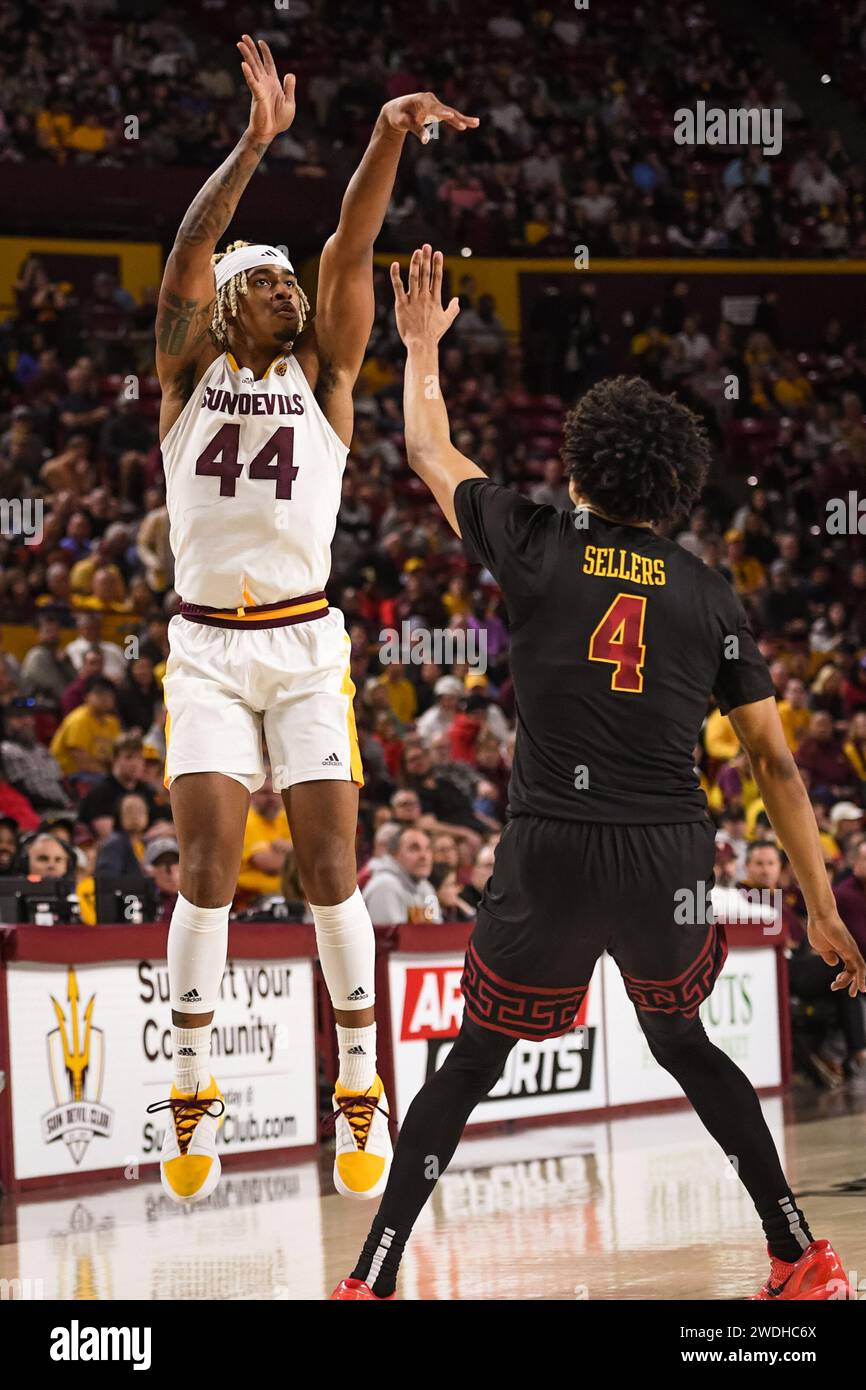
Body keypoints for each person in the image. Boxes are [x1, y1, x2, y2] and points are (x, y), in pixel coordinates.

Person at [333, 245, 865, 1303]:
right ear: (666, 489)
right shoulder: (708, 593)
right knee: (682, 1041)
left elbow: (428, 445)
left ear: (579, 467)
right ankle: (799, 1252)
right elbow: (774, 766)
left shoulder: (533, 538)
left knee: (471, 1060)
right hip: (666, 849)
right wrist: (817, 902)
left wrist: (424, 349)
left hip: (550, 846)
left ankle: (373, 1277)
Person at [148, 35, 478, 1206]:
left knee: (333, 869)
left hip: (301, 643)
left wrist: (385, 136)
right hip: (202, 645)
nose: (292, 288)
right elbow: (188, 250)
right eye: (270, 281)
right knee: (208, 870)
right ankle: (189, 1079)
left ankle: (356, 1082)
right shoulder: (186, 369)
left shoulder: (325, 374)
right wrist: (251, 144)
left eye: (294, 282)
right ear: (233, 301)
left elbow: (351, 244)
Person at [362, 825, 441, 925]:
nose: (424, 856)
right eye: (414, 849)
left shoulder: (427, 888)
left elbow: (437, 933)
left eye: (427, 849)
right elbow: (390, 938)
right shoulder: (385, 886)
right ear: (394, 854)